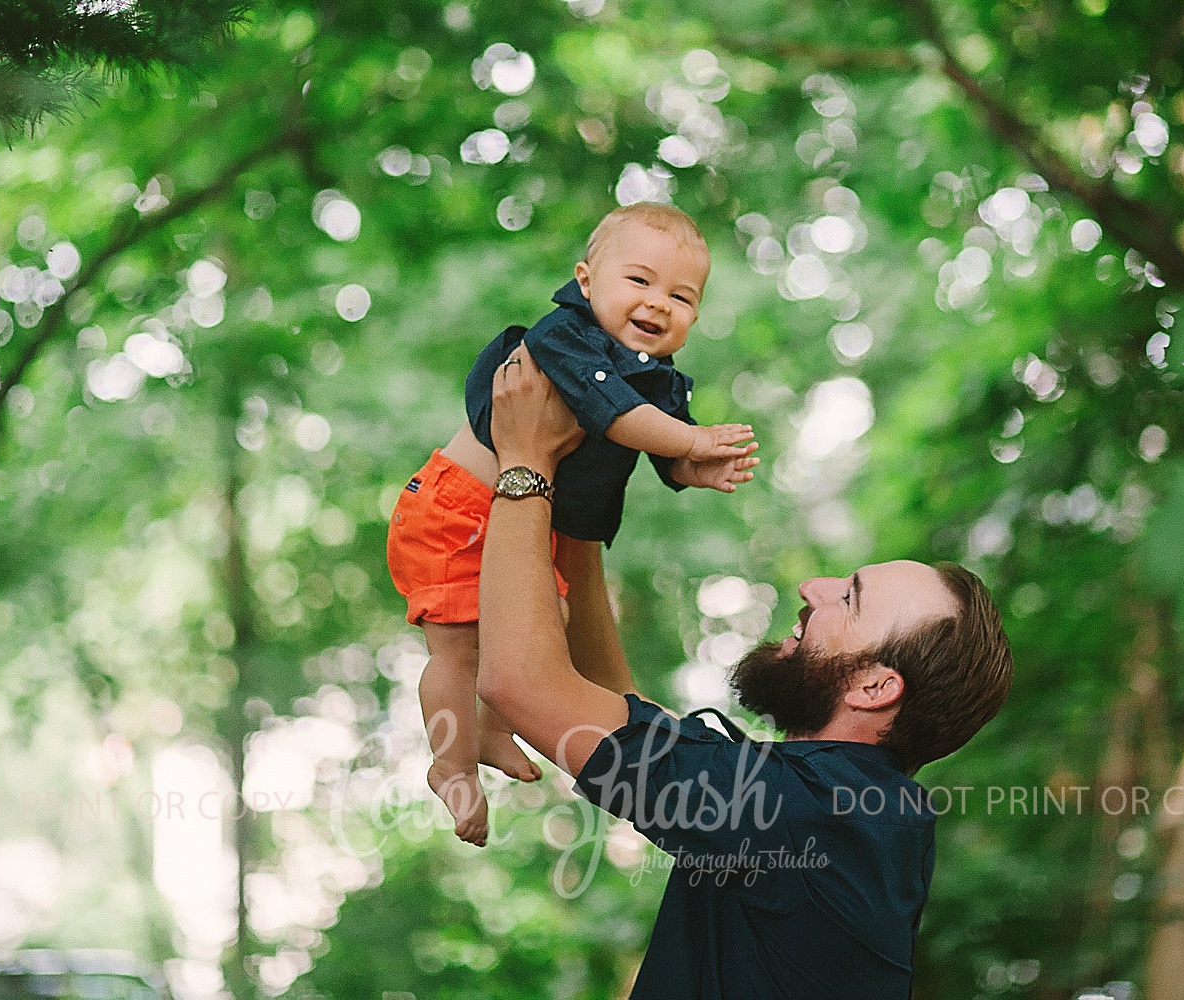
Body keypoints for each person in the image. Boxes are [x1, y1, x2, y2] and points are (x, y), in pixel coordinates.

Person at [476, 345, 1013, 998]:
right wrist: (587, 496)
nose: (814, 587)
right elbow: (616, 707)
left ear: (875, 687)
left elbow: (520, 684)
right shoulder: (845, 811)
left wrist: (527, 461)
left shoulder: (815, 814)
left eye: (850, 598)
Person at [387, 204, 759, 845]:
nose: (658, 304)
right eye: (638, 282)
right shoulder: (567, 338)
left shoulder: (655, 378)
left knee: (541, 630)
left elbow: (653, 446)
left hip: (516, 519)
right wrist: (693, 440)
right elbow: (616, 417)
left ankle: (492, 727)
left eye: (682, 296)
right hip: (455, 511)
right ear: (587, 282)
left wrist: (689, 469)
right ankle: (449, 765)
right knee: (456, 646)